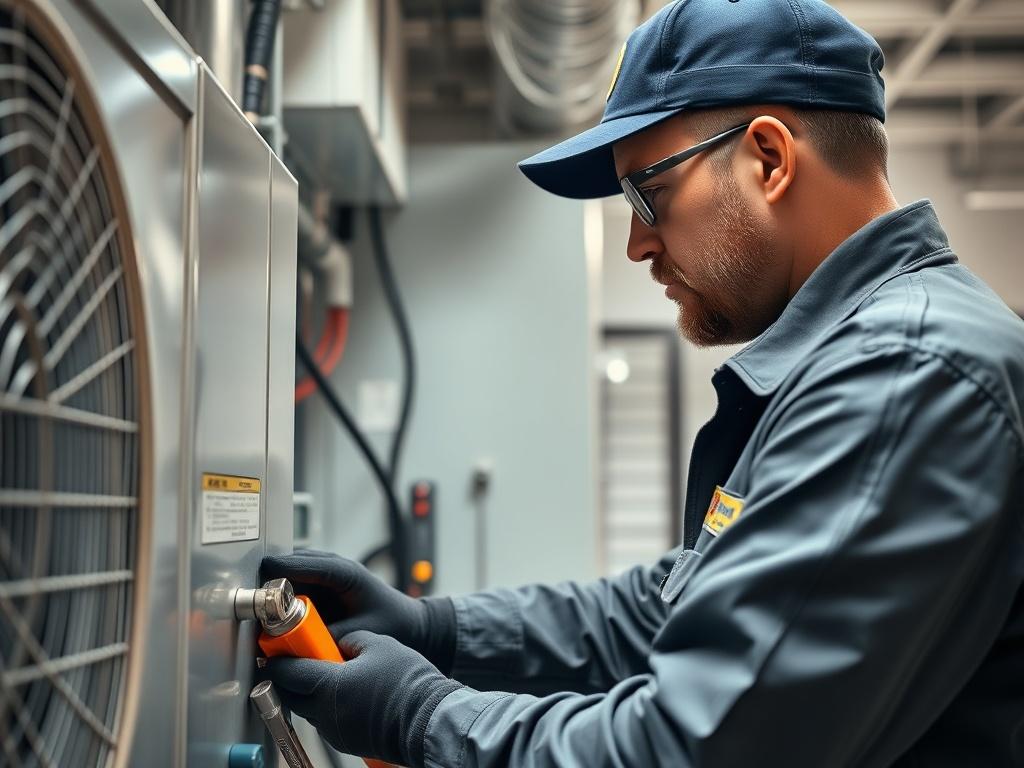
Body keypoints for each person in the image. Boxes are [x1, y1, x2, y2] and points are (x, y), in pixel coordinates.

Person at [264, 0, 1024, 765]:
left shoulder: (905, 373)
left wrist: (419, 716)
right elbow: (661, 608)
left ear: (769, 157)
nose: (635, 243)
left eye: (646, 193)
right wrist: (439, 631)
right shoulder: (853, 362)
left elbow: (693, 748)